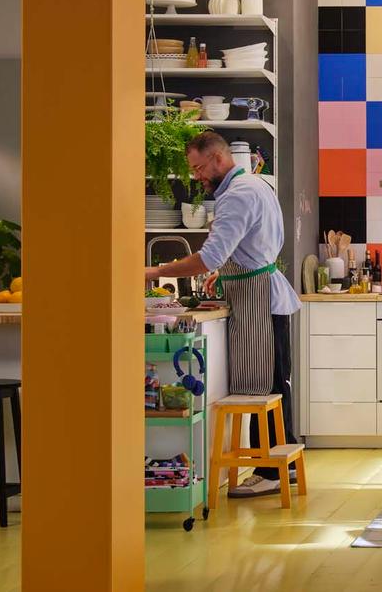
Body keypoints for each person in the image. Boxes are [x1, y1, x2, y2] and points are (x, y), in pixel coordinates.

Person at [143, 131, 302, 498]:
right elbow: (242, 248)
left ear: (217, 159)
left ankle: (271, 470)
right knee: (275, 383)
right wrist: (222, 272)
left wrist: (154, 272)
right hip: (260, 294)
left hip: (259, 299)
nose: (196, 176)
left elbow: (209, 256)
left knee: (264, 385)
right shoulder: (254, 185)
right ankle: (283, 467)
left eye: (198, 168)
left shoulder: (237, 196)